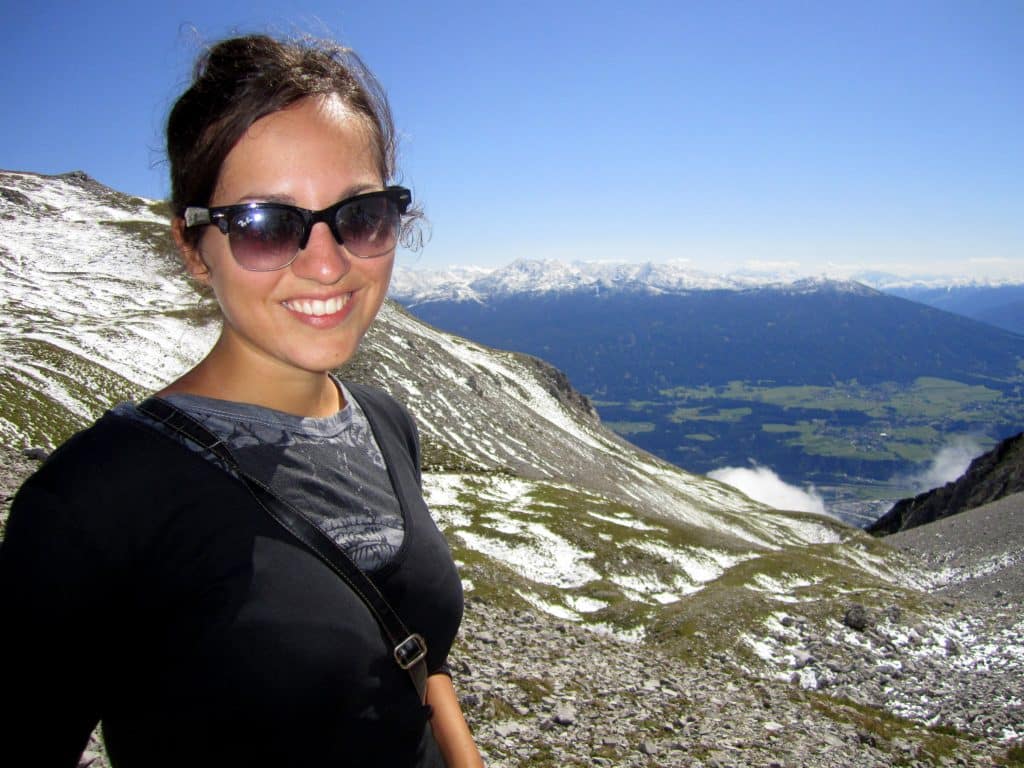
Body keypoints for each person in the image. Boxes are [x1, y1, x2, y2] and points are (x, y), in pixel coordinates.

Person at [0, 34, 483, 768]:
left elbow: (421, 657)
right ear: (193, 248)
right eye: (264, 225)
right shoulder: (89, 502)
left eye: (360, 214)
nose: (327, 263)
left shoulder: (386, 424)